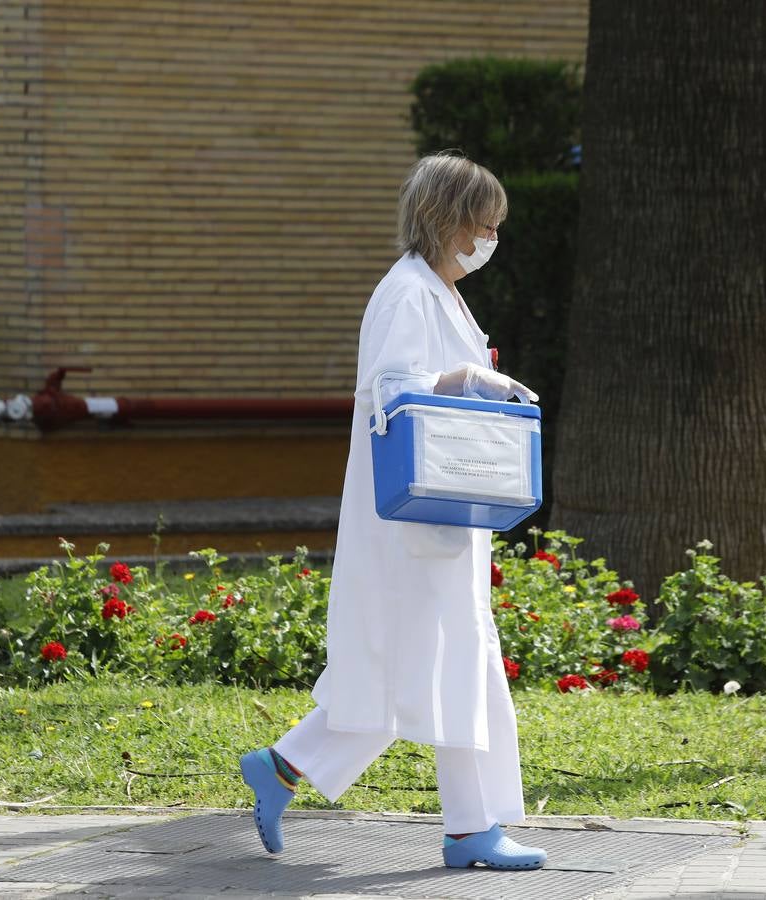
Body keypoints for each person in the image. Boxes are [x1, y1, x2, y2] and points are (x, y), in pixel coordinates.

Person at [239, 151, 546, 870]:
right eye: (486, 223)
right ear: (451, 221)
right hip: (411, 523)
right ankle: (464, 827)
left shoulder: (434, 291)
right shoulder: (407, 293)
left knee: (439, 667)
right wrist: (468, 377)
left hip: (439, 518)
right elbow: (391, 388)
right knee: (420, 667)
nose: (492, 238)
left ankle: (296, 771)